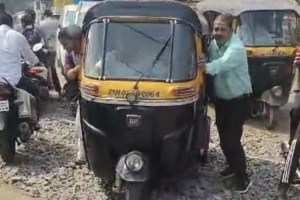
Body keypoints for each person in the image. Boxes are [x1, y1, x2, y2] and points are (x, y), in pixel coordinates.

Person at [198, 14, 253, 193]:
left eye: (222, 29)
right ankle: (232, 166)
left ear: (231, 30)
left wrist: (204, 66)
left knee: (232, 141)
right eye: (215, 28)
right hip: (223, 101)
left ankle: (243, 178)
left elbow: (219, 65)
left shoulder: (236, 48)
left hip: (238, 101)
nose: (217, 32)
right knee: (224, 140)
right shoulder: (214, 45)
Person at [0, 10, 40, 128]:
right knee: (33, 88)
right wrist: (36, 62)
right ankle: (33, 121)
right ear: (11, 24)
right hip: (13, 81)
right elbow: (30, 57)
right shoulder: (17, 36)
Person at [58, 25, 85, 165]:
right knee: (79, 123)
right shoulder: (70, 55)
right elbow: (69, 75)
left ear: (76, 40)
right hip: (83, 92)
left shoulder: (94, 48)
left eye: (65, 44)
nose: (64, 48)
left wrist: (78, 69)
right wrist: (83, 66)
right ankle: (82, 156)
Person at [39, 9, 61, 96]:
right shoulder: (56, 22)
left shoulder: (41, 24)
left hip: (45, 48)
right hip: (53, 48)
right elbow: (61, 29)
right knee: (52, 67)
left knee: (46, 68)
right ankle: (58, 87)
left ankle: (49, 87)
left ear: (45, 15)